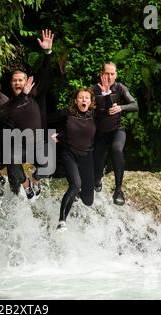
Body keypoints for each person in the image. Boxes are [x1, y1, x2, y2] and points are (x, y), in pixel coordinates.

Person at [0, 29, 54, 199]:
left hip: (39, 144)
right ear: (11, 84)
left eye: (21, 80)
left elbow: (45, 76)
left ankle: (36, 180)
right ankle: (26, 184)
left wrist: (47, 53)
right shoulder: (8, 105)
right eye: (15, 80)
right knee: (10, 158)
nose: (18, 83)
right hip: (21, 146)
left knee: (48, 166)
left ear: (26, 82)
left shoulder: (36, 95)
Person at [91, 62, 138, 205]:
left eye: (112, 74)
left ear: (116, 75)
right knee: (97, 167)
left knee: (117, 150)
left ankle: (118, 190)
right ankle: (97, 180)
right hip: (100, 133)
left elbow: (135, 105)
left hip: (117, 130)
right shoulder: (93, 90)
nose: (110, 77)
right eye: (107, 74)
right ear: (101, 74)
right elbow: (86, 109)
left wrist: (121, 108)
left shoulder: (120, 87)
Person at [51, 88, 96, 231]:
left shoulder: (94, 115)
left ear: (91, 101)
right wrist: (53, 135)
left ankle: (78, 195)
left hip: (87, 156)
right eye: (81, 97)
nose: (84, 100)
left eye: (86, 98)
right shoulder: (67, 113)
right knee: (75, 184)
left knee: (88, 201)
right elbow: (47, 118)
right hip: (69, 154)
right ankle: (62, 221)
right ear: (76, 100)